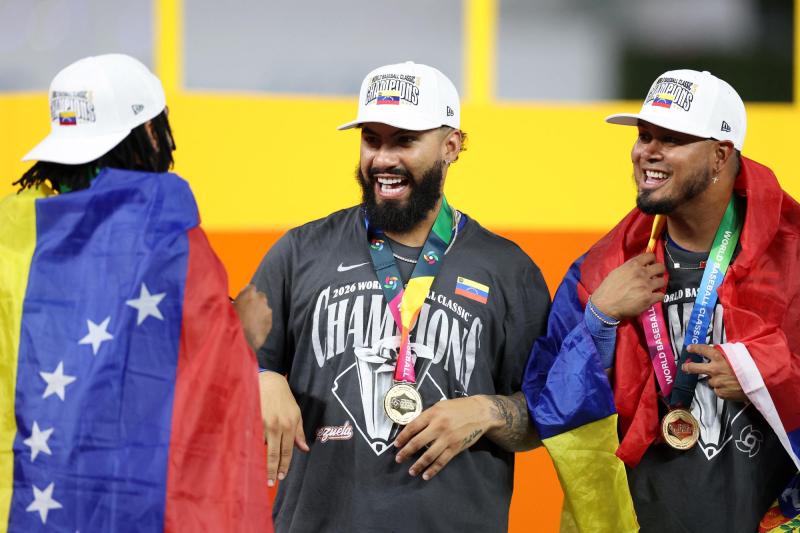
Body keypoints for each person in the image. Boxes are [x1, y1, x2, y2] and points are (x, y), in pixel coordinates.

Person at [251, 61, 550, 532]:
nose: (382, 159)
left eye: (404, 141)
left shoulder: (509, 270)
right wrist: (261, 376)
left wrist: (485, 411)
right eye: (372, 138)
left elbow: (545, 414)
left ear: (451, 146)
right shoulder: (300, 251)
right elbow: (223, 364)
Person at [0, 54, 271, 531]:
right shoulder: (165, 238)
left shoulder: (9, 229)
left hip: (21, 504)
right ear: (149, 132)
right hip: (128, 511)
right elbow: (199, 376)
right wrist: (242, 330)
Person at [523, 69, 800, 532]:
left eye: (671, 138)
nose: (646, 151)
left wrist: (759, 376)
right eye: (644, 135)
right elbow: (549, 405)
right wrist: (599, 319)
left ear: (719, 155)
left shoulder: (791, 260)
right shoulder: (600, 272)